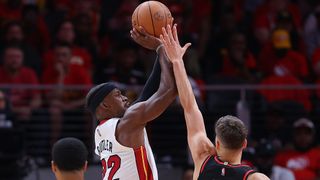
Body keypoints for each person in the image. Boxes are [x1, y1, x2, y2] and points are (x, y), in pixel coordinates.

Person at [159, 24, 269, 180]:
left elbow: (190, 106)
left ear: (217, 143)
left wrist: (177, 61)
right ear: (244, 144)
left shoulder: (203, 156)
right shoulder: (255, 178)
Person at [85, 24, 176, 179]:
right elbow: (169, 91)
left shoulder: (100, 134)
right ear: (106, 105)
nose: (126, 97)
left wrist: (158, 51)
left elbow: (145, 96)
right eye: (118, 95)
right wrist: (161, 48)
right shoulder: (128, 122)